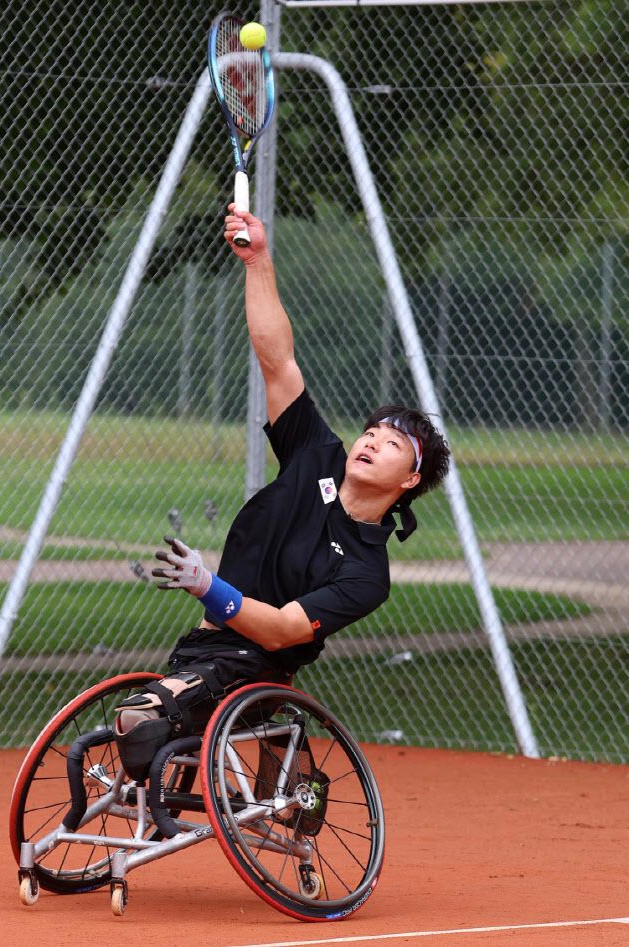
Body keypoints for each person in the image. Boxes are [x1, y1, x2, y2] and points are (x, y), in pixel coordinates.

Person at [113, 207, 450, 780]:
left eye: (392, 443)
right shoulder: (315, 454)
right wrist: (258, 262)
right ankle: (270, 766)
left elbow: (280, 630)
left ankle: (280, 766)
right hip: (205, 647)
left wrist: (206, 584)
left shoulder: (367, 575)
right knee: (137, 741)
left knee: (138, 720)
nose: (371, 441)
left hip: (255, 665)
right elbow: (277, 361)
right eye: (371, 432)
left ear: (409, 481)